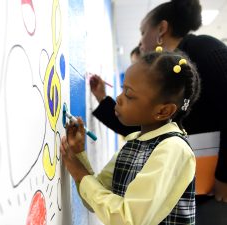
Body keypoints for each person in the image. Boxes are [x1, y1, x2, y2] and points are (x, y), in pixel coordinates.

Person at [94, 0, 227, 207]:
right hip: (190, 192)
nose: (140, 43)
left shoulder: (203, 49)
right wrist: (103, 99)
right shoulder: (163, 77)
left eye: (143, 32)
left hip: (216, 192)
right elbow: (140, 124)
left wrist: (224, 176)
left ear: (161, 30)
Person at [61, 51, 201, 225]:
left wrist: (80, 173)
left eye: (129, 94)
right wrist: (79, 155)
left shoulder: (173, 148)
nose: (118, 99)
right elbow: (94, 200)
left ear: (163, 111)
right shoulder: (134, 141)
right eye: (122, 89)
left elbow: (128, 220)